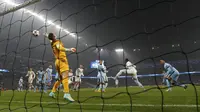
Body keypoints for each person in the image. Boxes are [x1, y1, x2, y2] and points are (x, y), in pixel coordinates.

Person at [46, 33, 76, 102]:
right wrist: (70, 49)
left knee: (60, 79)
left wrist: (47, 36)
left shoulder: (52, 43)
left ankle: (52, 92)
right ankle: (66, 94)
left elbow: (50, 40)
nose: (55, 35)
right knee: (65, 77)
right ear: (53, 37)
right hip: (62, 61)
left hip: (57, 62)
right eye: (54, 35)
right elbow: (60, 48)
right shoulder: (57, 42)